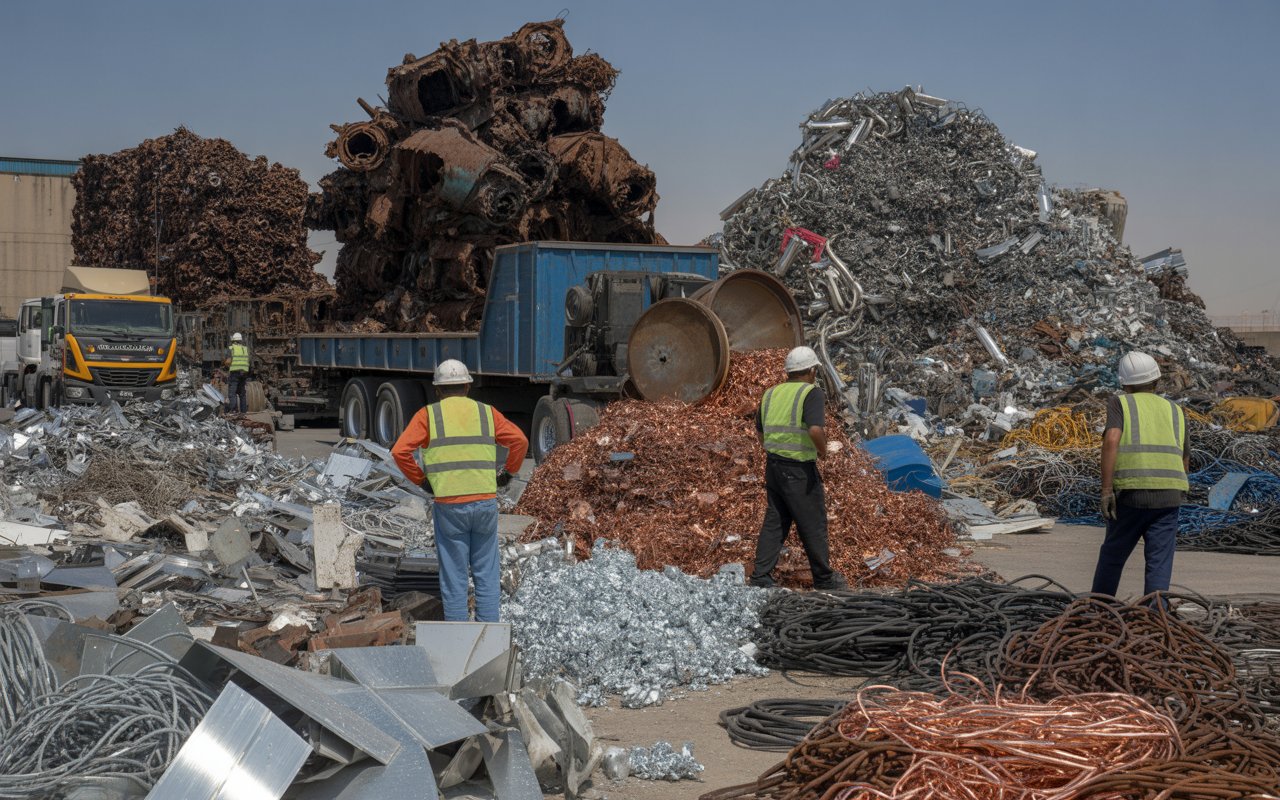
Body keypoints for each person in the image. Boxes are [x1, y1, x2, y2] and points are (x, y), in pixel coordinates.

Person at [392, 359, 528, 622]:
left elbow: (400, 451)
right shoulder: (486, 413)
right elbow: (520, 441)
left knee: (454, 576)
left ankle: (457, 635)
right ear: (467, 387)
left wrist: (421, 480)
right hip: (485, 503)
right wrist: (507, 473)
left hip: (449, 505)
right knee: (486, 573)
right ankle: (488, 635)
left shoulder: (428, 415)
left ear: (437, 390)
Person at [1092, 351, 1190, 598]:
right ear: (1157, 380)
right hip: (1169, 496)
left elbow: (1111, 441)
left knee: (1113, 554)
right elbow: (1184, 456)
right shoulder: (1176, 410)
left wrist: (1106, 491)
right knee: (1159, 561)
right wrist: (1179, 491)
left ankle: (1099, 608)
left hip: (1131, 493)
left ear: (1125, 384)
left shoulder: (1120, 403)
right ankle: (1157, 613)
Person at [749, 346, 848, 590]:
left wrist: (776, 450)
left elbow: (760, 432)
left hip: (774, 466)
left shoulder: (770, 393)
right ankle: (824, 579)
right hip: (799, 470)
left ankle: (760, 576)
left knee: (776, 520)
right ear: (812, 370)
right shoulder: (811, 393)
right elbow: (815, 429)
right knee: (812, 522)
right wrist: (823, 452)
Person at [223, 332, 250, 414]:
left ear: (233, 341)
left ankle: (234, 410)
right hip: (244, 373)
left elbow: (228, 361)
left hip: (235, 372)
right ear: (241, 340)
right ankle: (243, 411)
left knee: (232, 393)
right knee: (242, 393)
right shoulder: (245, 349)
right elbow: (248, 361)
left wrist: (226, 366)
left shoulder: (232, 348)